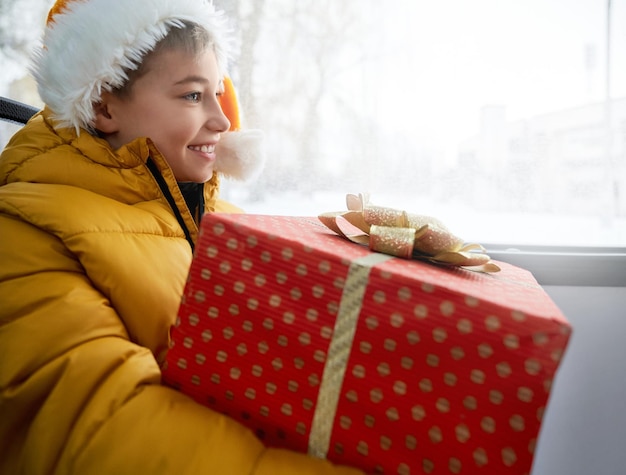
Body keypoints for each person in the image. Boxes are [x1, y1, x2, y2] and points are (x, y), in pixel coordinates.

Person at [0, 0, 363, 473]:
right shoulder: (24, 231)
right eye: (193, 96)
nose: (222, 120)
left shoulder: (225, 221)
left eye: (218, 92)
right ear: (102, 105)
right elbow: (102, 429)